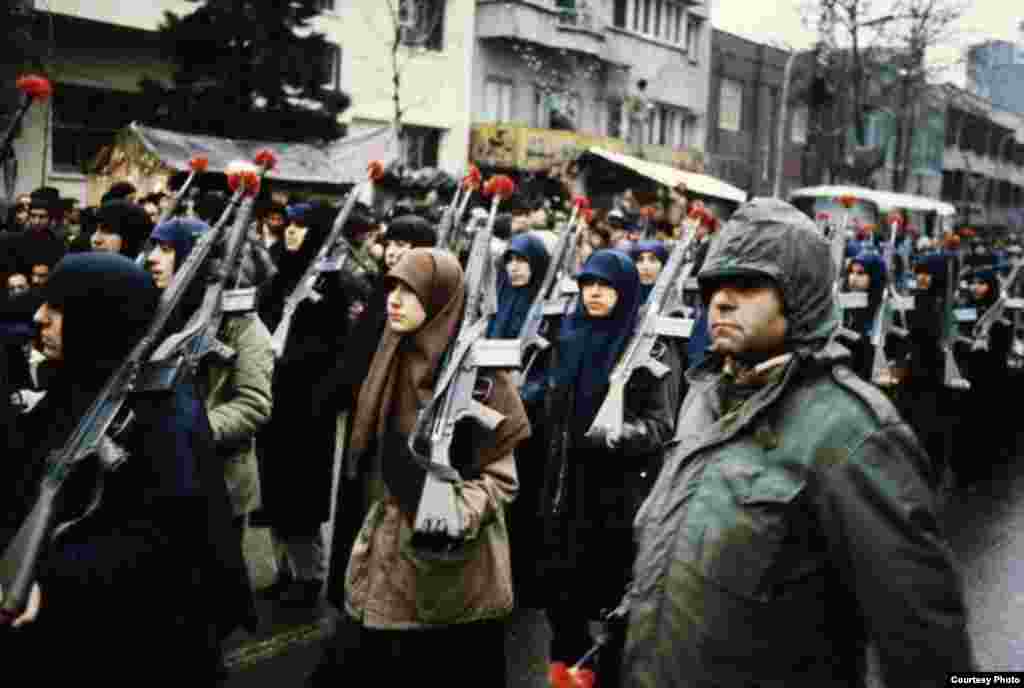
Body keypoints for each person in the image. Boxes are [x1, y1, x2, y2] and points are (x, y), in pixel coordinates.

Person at [622, 198, 973, 687]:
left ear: (799, 296)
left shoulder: (852, 431)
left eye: (747, 285)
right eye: (714, 286)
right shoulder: (703, 401)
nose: (721, 301)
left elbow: (927, 648)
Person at [1, 252, 254, 682]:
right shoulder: (76, 385)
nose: (41, 316)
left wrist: (52, 583)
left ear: (101, 318)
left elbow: (161, 545)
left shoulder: (161, 414)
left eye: (60, 307)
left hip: (129, 649)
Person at [307, 248, 530, 687]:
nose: (394, 299)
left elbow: (502, 479)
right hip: (384, 548)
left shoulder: (481, 377)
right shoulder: (388, 359)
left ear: (441, 301)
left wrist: (450, 513)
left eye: (410, 291)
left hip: (449, 572)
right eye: (392, 287)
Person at [538, 249, 674, 687]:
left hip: (616, 495)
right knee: (563, 602)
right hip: (565, 488)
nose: (594, 293)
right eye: (588, 285)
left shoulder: (644, 347)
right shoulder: (570, 335)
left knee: (613, 604)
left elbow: (661, 424)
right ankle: (567, 675)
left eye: (606, 286)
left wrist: (621, 435)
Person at [145, 218, 274, 574]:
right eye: (154, 247)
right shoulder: (156, 314)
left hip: (218, 479)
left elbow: (253, 404)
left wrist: (193, 429)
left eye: (167, 250)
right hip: (160, 476)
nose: (154, 258)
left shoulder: (241, 325)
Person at [257, 201, 351, 608]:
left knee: (300, 493)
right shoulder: (280, 273)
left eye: (300, 226)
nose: (291, 232)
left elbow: (334, 346)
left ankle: (309, 573)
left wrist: (297, 361)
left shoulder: (332, 284)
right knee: (274, 488)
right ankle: (282, 569)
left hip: (309, 404)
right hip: (275, 396)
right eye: (289, 225)